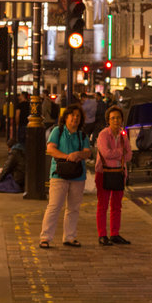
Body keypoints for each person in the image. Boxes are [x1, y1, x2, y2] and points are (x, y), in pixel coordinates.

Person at [40, 104, 91, 248]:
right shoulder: (58, 130)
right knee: (54, 206)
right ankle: (45, 237)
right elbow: (50, 149)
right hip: (59, 174)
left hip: (78, 176)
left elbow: (88, 152)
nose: (75, 118)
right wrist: (67, 157)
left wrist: (79, 154)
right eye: (72, 115)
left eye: (78, 116)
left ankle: (69, 237)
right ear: (66, 117)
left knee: (73, 208)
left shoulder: (82, 135)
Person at [95, 106, 131, 245]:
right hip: (104, 173)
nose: (116, 120)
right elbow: (106, 153)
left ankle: (115, 233)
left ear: (122, 119)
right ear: (108, 120)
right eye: (113, 118)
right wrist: (120, 152)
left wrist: (118, 153)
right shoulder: (103, 134)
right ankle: (102, 235)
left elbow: (129, 155)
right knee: (102, 205)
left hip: (119, 173)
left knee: (117, 206)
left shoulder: (123, 135)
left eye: (118, 118)